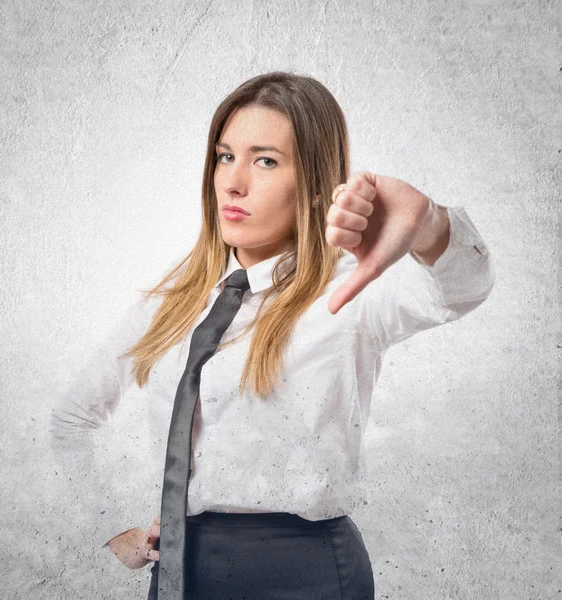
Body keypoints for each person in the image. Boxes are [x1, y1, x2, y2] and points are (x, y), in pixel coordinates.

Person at [49, 71, 496, 599]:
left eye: (265, 160)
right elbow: (71, 420)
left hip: (309, 575)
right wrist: (111, 527)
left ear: (314, 185)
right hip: (183, 573)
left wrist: (429, 227)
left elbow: (460, 292)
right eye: (224, 155)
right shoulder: (176, 298)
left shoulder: (349, 292)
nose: (233, 182)